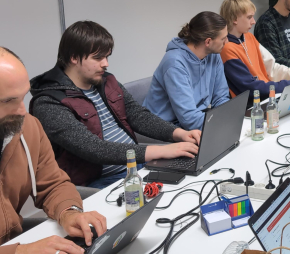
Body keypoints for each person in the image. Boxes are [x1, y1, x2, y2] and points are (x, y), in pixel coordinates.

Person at [30, 21, 200, 189]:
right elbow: (94, 149)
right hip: (100, 181)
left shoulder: (106, 81)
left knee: (194, 181)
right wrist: (163, 151)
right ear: (73, 57)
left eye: (107, 56)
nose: (106, 63)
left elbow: (138, 116)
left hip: (135, 165)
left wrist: (180, 134)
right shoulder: (49, 103)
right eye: (98, 58)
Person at [0, 47, 108, 254]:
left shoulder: (26, 126)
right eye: (9, 101)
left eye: (23, 96)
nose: (22, 110)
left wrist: (69, 212)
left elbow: (52, 184)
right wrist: (17, 253)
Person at [144, 12, 230, 131]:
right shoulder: (174, 63)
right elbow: (189, 119)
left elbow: (221, 98)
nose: (227, 42)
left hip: (196, 119)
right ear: (208, 42)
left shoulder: (213, 55)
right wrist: (220, 126)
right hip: (166, 127)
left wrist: (228, 120)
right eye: (223, 38)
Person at [219, 0, 290, 101]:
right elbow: (251, 88)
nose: (253, 21)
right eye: (249, 17)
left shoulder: (249, 37)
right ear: (234, 19)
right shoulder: (227, 49)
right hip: (254, 104)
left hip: (269, 96)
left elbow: (272, 68)